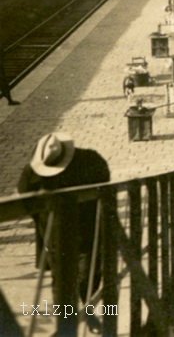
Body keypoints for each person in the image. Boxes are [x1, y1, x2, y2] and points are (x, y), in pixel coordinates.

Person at [17, 133, 110, 333]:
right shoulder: (31, 172)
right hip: (54, 233)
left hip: (86, 228)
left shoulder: (89, 159)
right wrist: (42, 220)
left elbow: (104, 182)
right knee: (60, 283)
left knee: (89, 275)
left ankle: (87, 310)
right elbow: (24, 197)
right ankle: (67, 326)